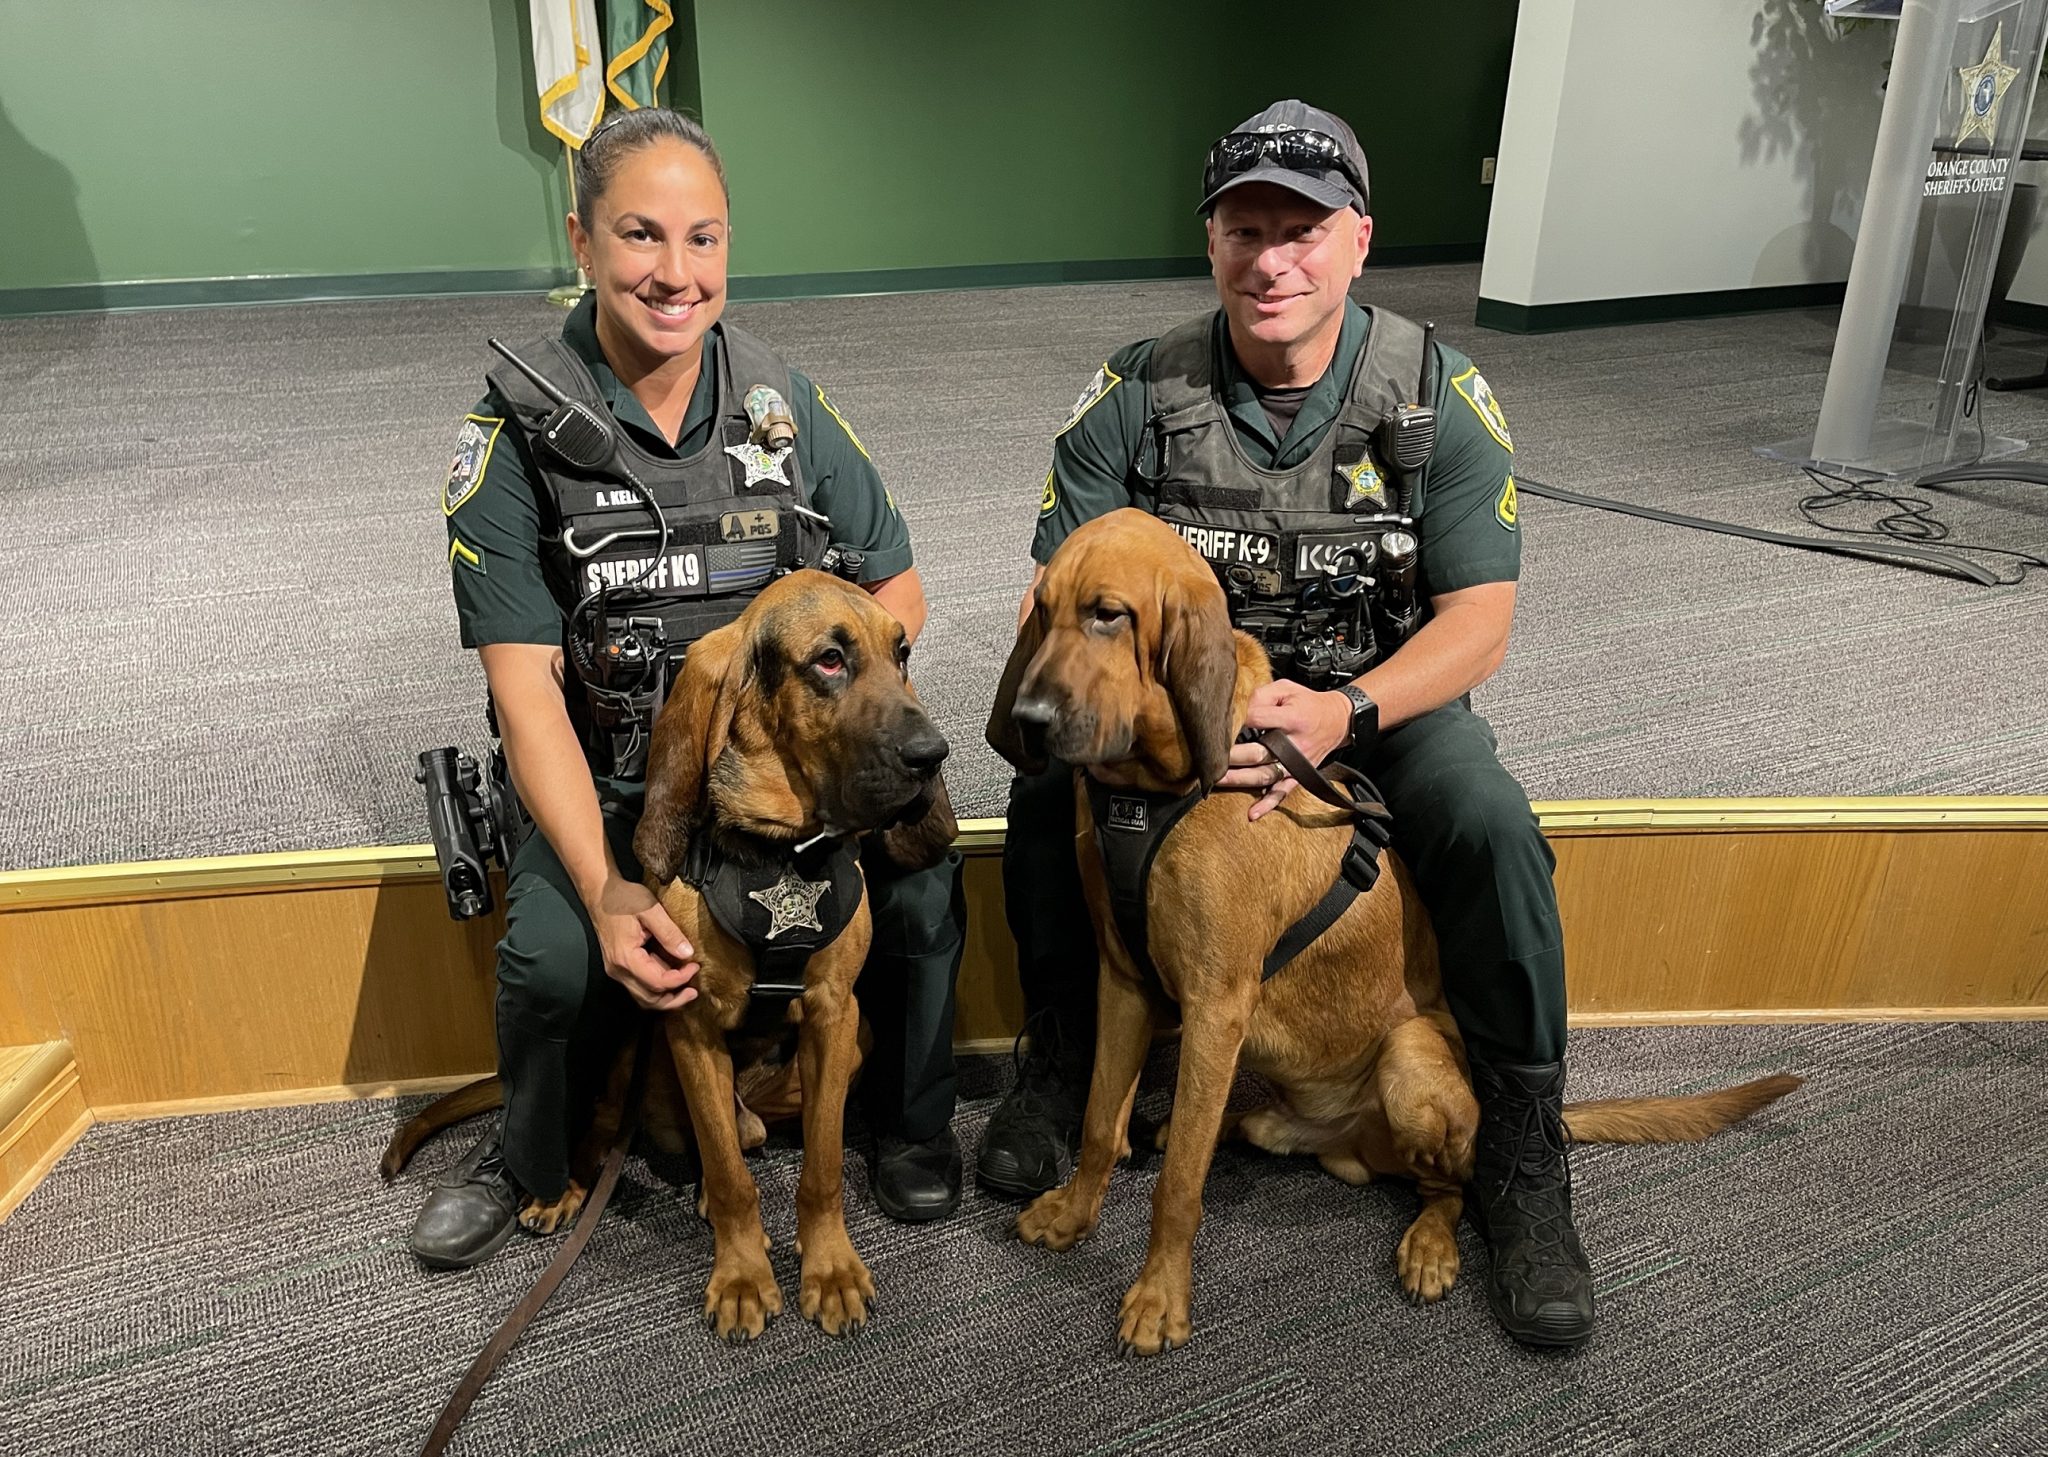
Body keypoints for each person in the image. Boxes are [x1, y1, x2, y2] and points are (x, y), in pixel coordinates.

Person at [978, 100, 1594, 1348]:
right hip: (1195, 698)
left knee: (1487, 821)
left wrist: (1347, 707)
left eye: (1302, 231)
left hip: (1375, 697)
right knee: (1047, 789)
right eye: (1244, 228)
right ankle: (1062, 1068)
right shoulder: (1135, 390)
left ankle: (1521, 1153)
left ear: (1356, 242)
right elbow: (1058, 592)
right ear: (1210, 243)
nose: (1272, 259)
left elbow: (1478, 622)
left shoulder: (1435, 390)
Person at [414, 109, 966, 1269]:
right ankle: (533, 1148)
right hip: (612, 766)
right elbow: (523, 698)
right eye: (641, 236)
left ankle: (909, 1127)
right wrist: (612, 891)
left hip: (776, 762)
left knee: (921, 886)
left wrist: (812, 715)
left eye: (703, 239)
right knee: (558, 958)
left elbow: (898, 593)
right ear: (581, 241)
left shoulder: (783, 402)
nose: (677, 273)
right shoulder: (512, 432)